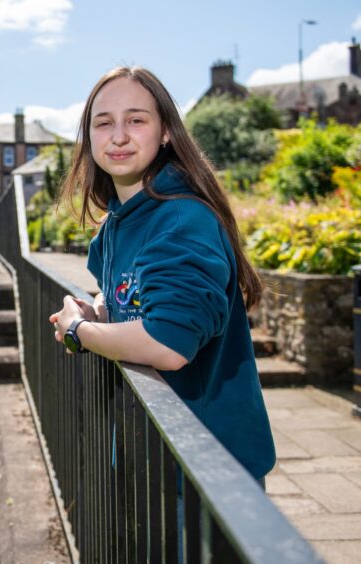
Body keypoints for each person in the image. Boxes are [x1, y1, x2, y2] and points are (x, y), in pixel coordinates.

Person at [48, 66, 275, 484]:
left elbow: (169, 343)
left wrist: (80, 331)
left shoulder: (181, 219)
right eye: (104, 123)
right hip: (153, 465)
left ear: (166, 131)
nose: (118, 135)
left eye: (136, 120)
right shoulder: (118, 221)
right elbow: (123, 296)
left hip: (208, 478)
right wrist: (98, 312)